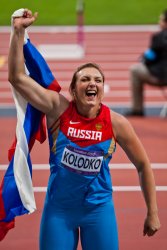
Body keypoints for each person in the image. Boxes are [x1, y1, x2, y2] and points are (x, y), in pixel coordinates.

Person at [8, 9, 161, 250]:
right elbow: (17, 77)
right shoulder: (58, 109)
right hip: (59, 211)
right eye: (85, 79)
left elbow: (143, 165)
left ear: (102, 89)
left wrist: (153, 212)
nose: (92, 83)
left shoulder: (116, 122)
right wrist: (18, 32)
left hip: (98, 211)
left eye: (98, 80)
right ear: (73, 89)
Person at [126, 9, 167, 116]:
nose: (159, 22)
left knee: (135, 70)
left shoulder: (158, 37)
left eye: (161, 20)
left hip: (160, 77)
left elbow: (149, 58)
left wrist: (143, 60)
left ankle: (137, 109)